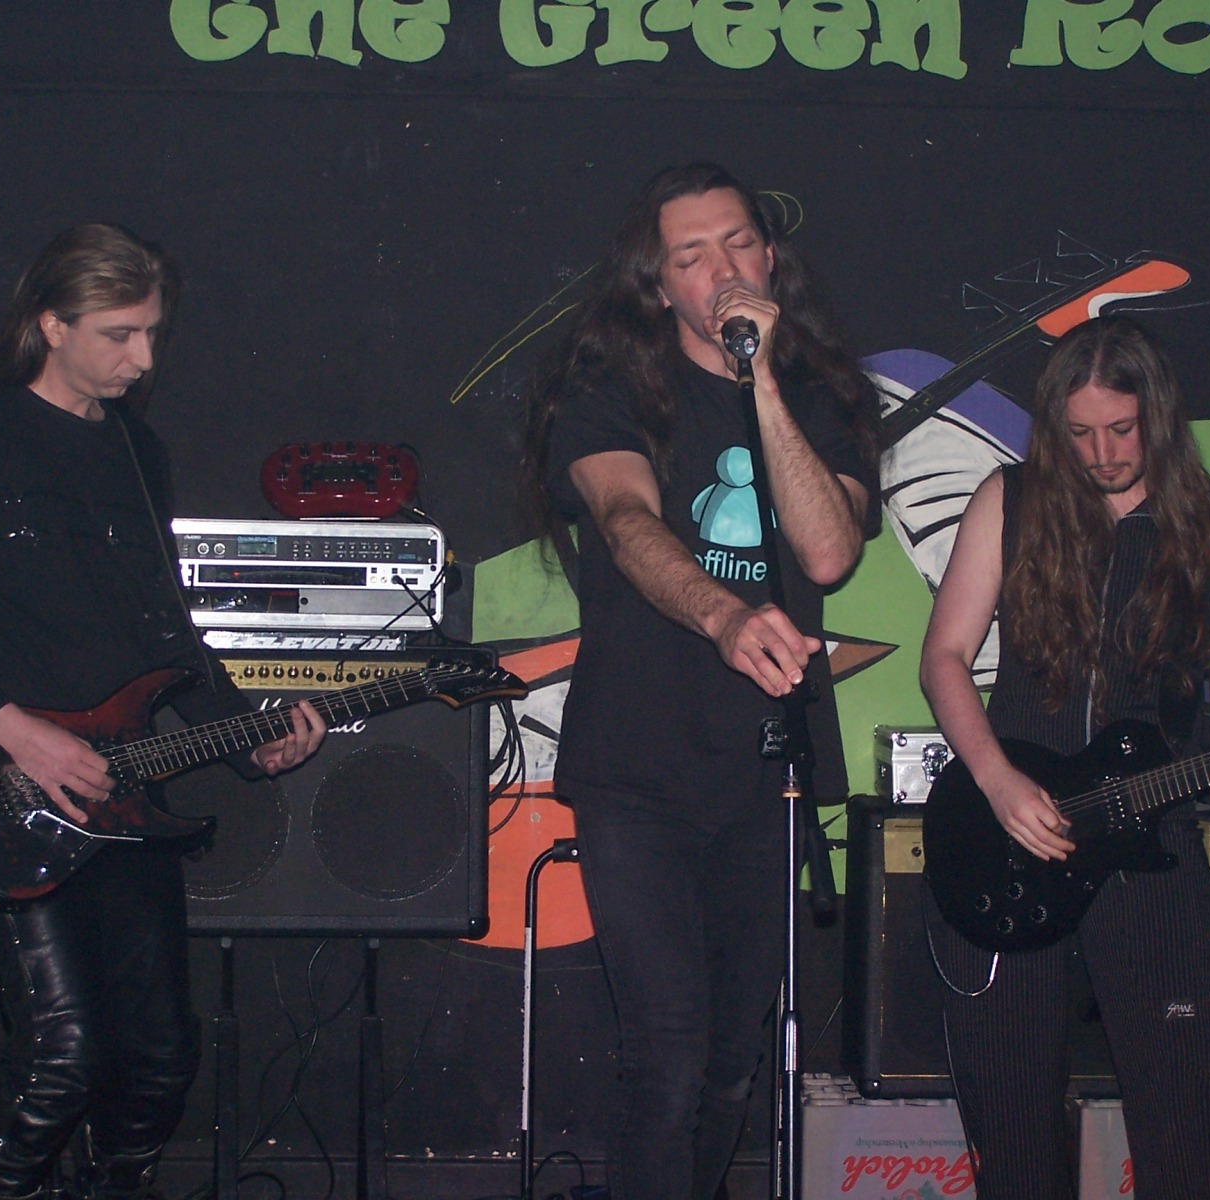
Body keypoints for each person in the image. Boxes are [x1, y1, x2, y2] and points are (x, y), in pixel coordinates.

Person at [0, 223, 326, 1200]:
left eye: (151, 334)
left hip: (118, 785)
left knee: (159, 1057)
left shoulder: (135, 451)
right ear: (50, 324)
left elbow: (166, 635)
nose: (142, 359)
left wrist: (251, 738)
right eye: (119, 334)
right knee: (63, 1056)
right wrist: (17, 729)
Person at [918, 315, 1210, 1199]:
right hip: (1008, 830)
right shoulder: (1009, 501)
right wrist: (997, 779)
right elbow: (944, 658)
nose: (1102, 453)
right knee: (1012, 1125)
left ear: (1156, 416)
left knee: (1190, 1111)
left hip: (1146, 846)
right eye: (1080, 433)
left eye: (1120, 430)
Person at [520, 162, 880, 1199]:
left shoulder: (823, 396)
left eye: (737, 243)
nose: (721, 269)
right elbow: (627, 520)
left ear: (769, 258)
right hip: (639, 767)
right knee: (668, 1050)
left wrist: (759, 382)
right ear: (657, 282)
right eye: (691, 255)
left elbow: (826, 554)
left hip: (767, 773)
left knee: (731, 1059)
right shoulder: (606, 392)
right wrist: (722, 616)